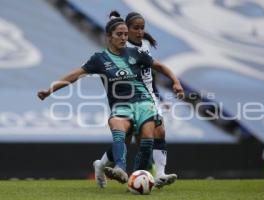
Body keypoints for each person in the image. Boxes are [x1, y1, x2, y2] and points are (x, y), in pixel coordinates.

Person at [38, 14, 183, 185]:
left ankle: (141, 178)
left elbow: (160, 66)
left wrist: (176, 82)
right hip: (121, 105)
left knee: (149, 137)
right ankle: (120, 169)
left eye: (124, 34)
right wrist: (50, 90)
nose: (123, 38)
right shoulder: (99, 59)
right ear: (109, 36)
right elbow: (75, 75)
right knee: (119, 131)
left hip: (143, 101)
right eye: (119, 34)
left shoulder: (136, 53)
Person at [93, 11, 178, 189]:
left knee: (159, 131)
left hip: (148, 95)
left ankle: (157, 174)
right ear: (126, 29)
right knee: (129, 139)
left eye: (142, 28)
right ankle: (103, 165)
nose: (139, 32)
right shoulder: (123, 48)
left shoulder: (144, 46)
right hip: (130, 98)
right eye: (135, 28)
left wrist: (159, 98)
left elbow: (150, 74)